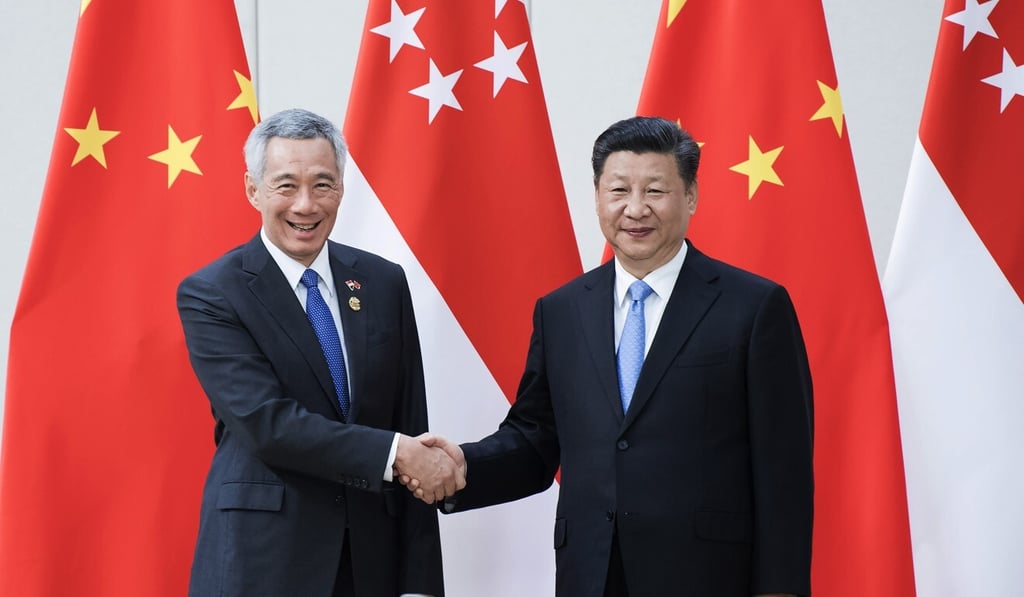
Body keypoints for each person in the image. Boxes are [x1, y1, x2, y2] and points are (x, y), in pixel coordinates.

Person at [410, 116, 814, 596]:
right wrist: (463, 467)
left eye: (656, 191)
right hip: (591, 575)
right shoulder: (562, 311)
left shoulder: (753, 306)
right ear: (598, 197)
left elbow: (783, 469)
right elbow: (536, 439)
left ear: (690, 196)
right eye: (619, 190)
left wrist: (779, 589)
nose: (635, 209)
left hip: (707, 576)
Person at [177, 108, 461, 597]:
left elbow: (409, 419)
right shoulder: (214, 293)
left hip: (371, 563)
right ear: (253, 189)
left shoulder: (383, 281)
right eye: (286, 186)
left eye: (322, 185)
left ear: (342, 188)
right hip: (263, 563)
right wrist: (396, 453)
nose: (305, 205)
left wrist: (420, 584)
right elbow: (269, 425)